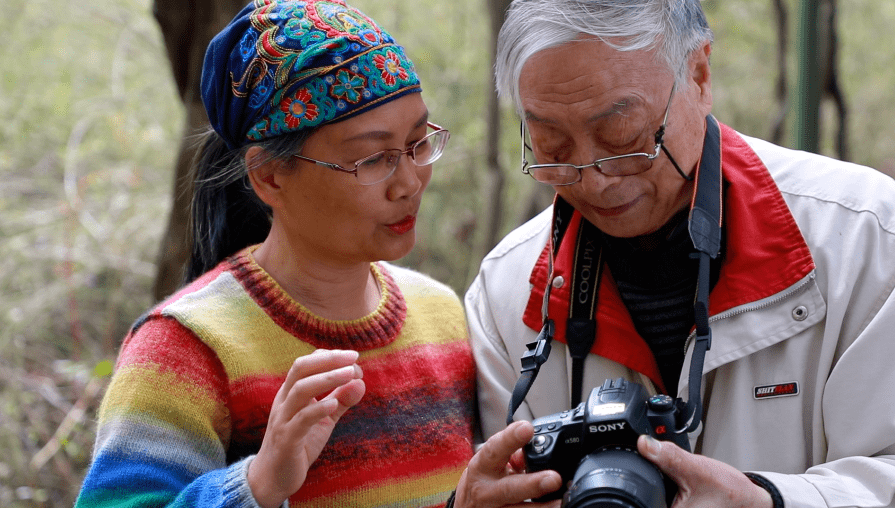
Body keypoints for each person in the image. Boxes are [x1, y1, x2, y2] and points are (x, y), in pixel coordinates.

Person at [465, 1, 895, 507]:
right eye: (552, 145)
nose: (594, 178)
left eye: (623, 136)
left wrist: (768, 501)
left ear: (699, 74)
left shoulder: (867, 238)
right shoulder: (505, 291)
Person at [73, 1, 488, 506]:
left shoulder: (442, 316)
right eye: (373, 159)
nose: (409, 183)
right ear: (268, 176)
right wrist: (257, 484)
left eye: (419, 143)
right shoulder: (184, 350)